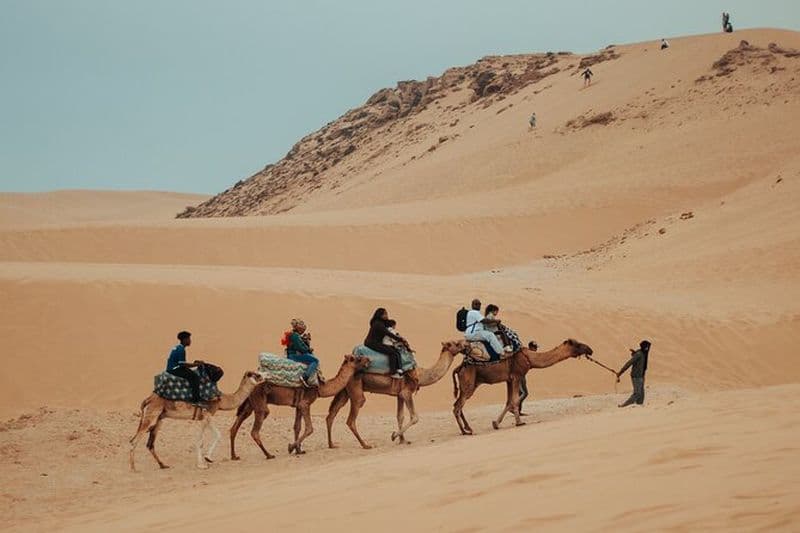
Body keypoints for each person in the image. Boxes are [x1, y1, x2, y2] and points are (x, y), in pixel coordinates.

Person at [365, 308, 409, 378]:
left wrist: (399, 337)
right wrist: (400, 339)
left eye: (386, 314)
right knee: (392, 353)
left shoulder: (382, 322)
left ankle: (398, 369)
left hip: (376, 342)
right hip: (372, 343)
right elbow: (388, 333)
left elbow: (391, 325)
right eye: (384, 314)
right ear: (380, 315)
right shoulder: (378, 324)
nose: (386, 315)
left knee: (395, 351)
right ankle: (393, 372)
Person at [165, 331, 204, 404]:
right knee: (195, 377)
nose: (190, 341)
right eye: (189, 339)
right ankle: (196, 400)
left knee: (190, 373)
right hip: (174, 369)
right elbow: (182, 364)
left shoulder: (177, 347)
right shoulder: (181, 349)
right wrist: (196, 365)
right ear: (184, 340)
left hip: (173, 368)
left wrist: (194, 364)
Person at [284, 318, 319, 388]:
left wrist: (305, 342)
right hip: (294, 356)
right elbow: (300, 347)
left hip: (293, 354)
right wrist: (308, 349)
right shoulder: (295, 336)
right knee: (315, 361)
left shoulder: (294, 335)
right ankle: (305, 377)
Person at [616, 340, 652, 407]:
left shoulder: (643, 353)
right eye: (647, 347)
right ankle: (624, 405)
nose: (648, 348)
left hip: (641, 376)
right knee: (637, 393)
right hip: (636, 376)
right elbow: (629, 363)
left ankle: (639, 406)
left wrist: (634, 353)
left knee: (641, 393)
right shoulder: (639, 354)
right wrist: (621, 372)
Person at [519, 340, 538, 415]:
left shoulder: (528, 354)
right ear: (531, 347)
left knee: (520, 393)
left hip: (522, 376)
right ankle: (512, 406)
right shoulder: (527, 355)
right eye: (535, 348)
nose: (536, 349)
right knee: (524, 393)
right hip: (519, 376)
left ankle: (518, 411)